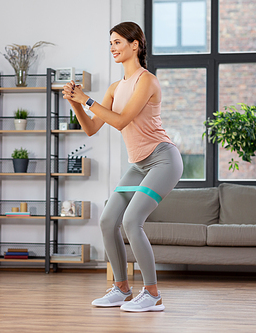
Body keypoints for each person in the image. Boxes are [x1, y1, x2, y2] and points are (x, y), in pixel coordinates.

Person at [62, 21, 183, 312]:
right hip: (139, 165)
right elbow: (92, 128)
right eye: (111, 43)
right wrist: (75, 103)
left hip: (163, 159)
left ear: (135, 45)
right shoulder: (116, 87)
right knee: (107, 221)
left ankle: (152, 294)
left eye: (118, 42)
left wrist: (86, 99)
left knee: (131, 221)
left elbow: (120, 120)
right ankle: (121, 288)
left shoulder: (147, 81)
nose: (113, 48)